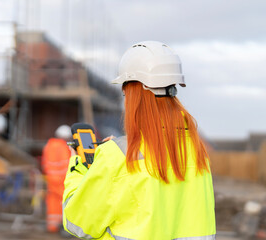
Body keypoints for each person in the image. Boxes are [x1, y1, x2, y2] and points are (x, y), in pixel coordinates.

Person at [62, 41, 216, 239]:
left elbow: (78, 223)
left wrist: (79, 168)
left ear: (134, 92)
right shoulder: (196, 152)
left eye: (125, 92)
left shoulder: (117, 156)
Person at [42, 124, 72, 233]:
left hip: (50, 179)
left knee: (53, 202)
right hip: (63, 180)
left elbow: (45, 164)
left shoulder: (48, 146)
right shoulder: (63, 147)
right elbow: (67, 165)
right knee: (66, 202)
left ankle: (52, 226)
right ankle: (65, 227)